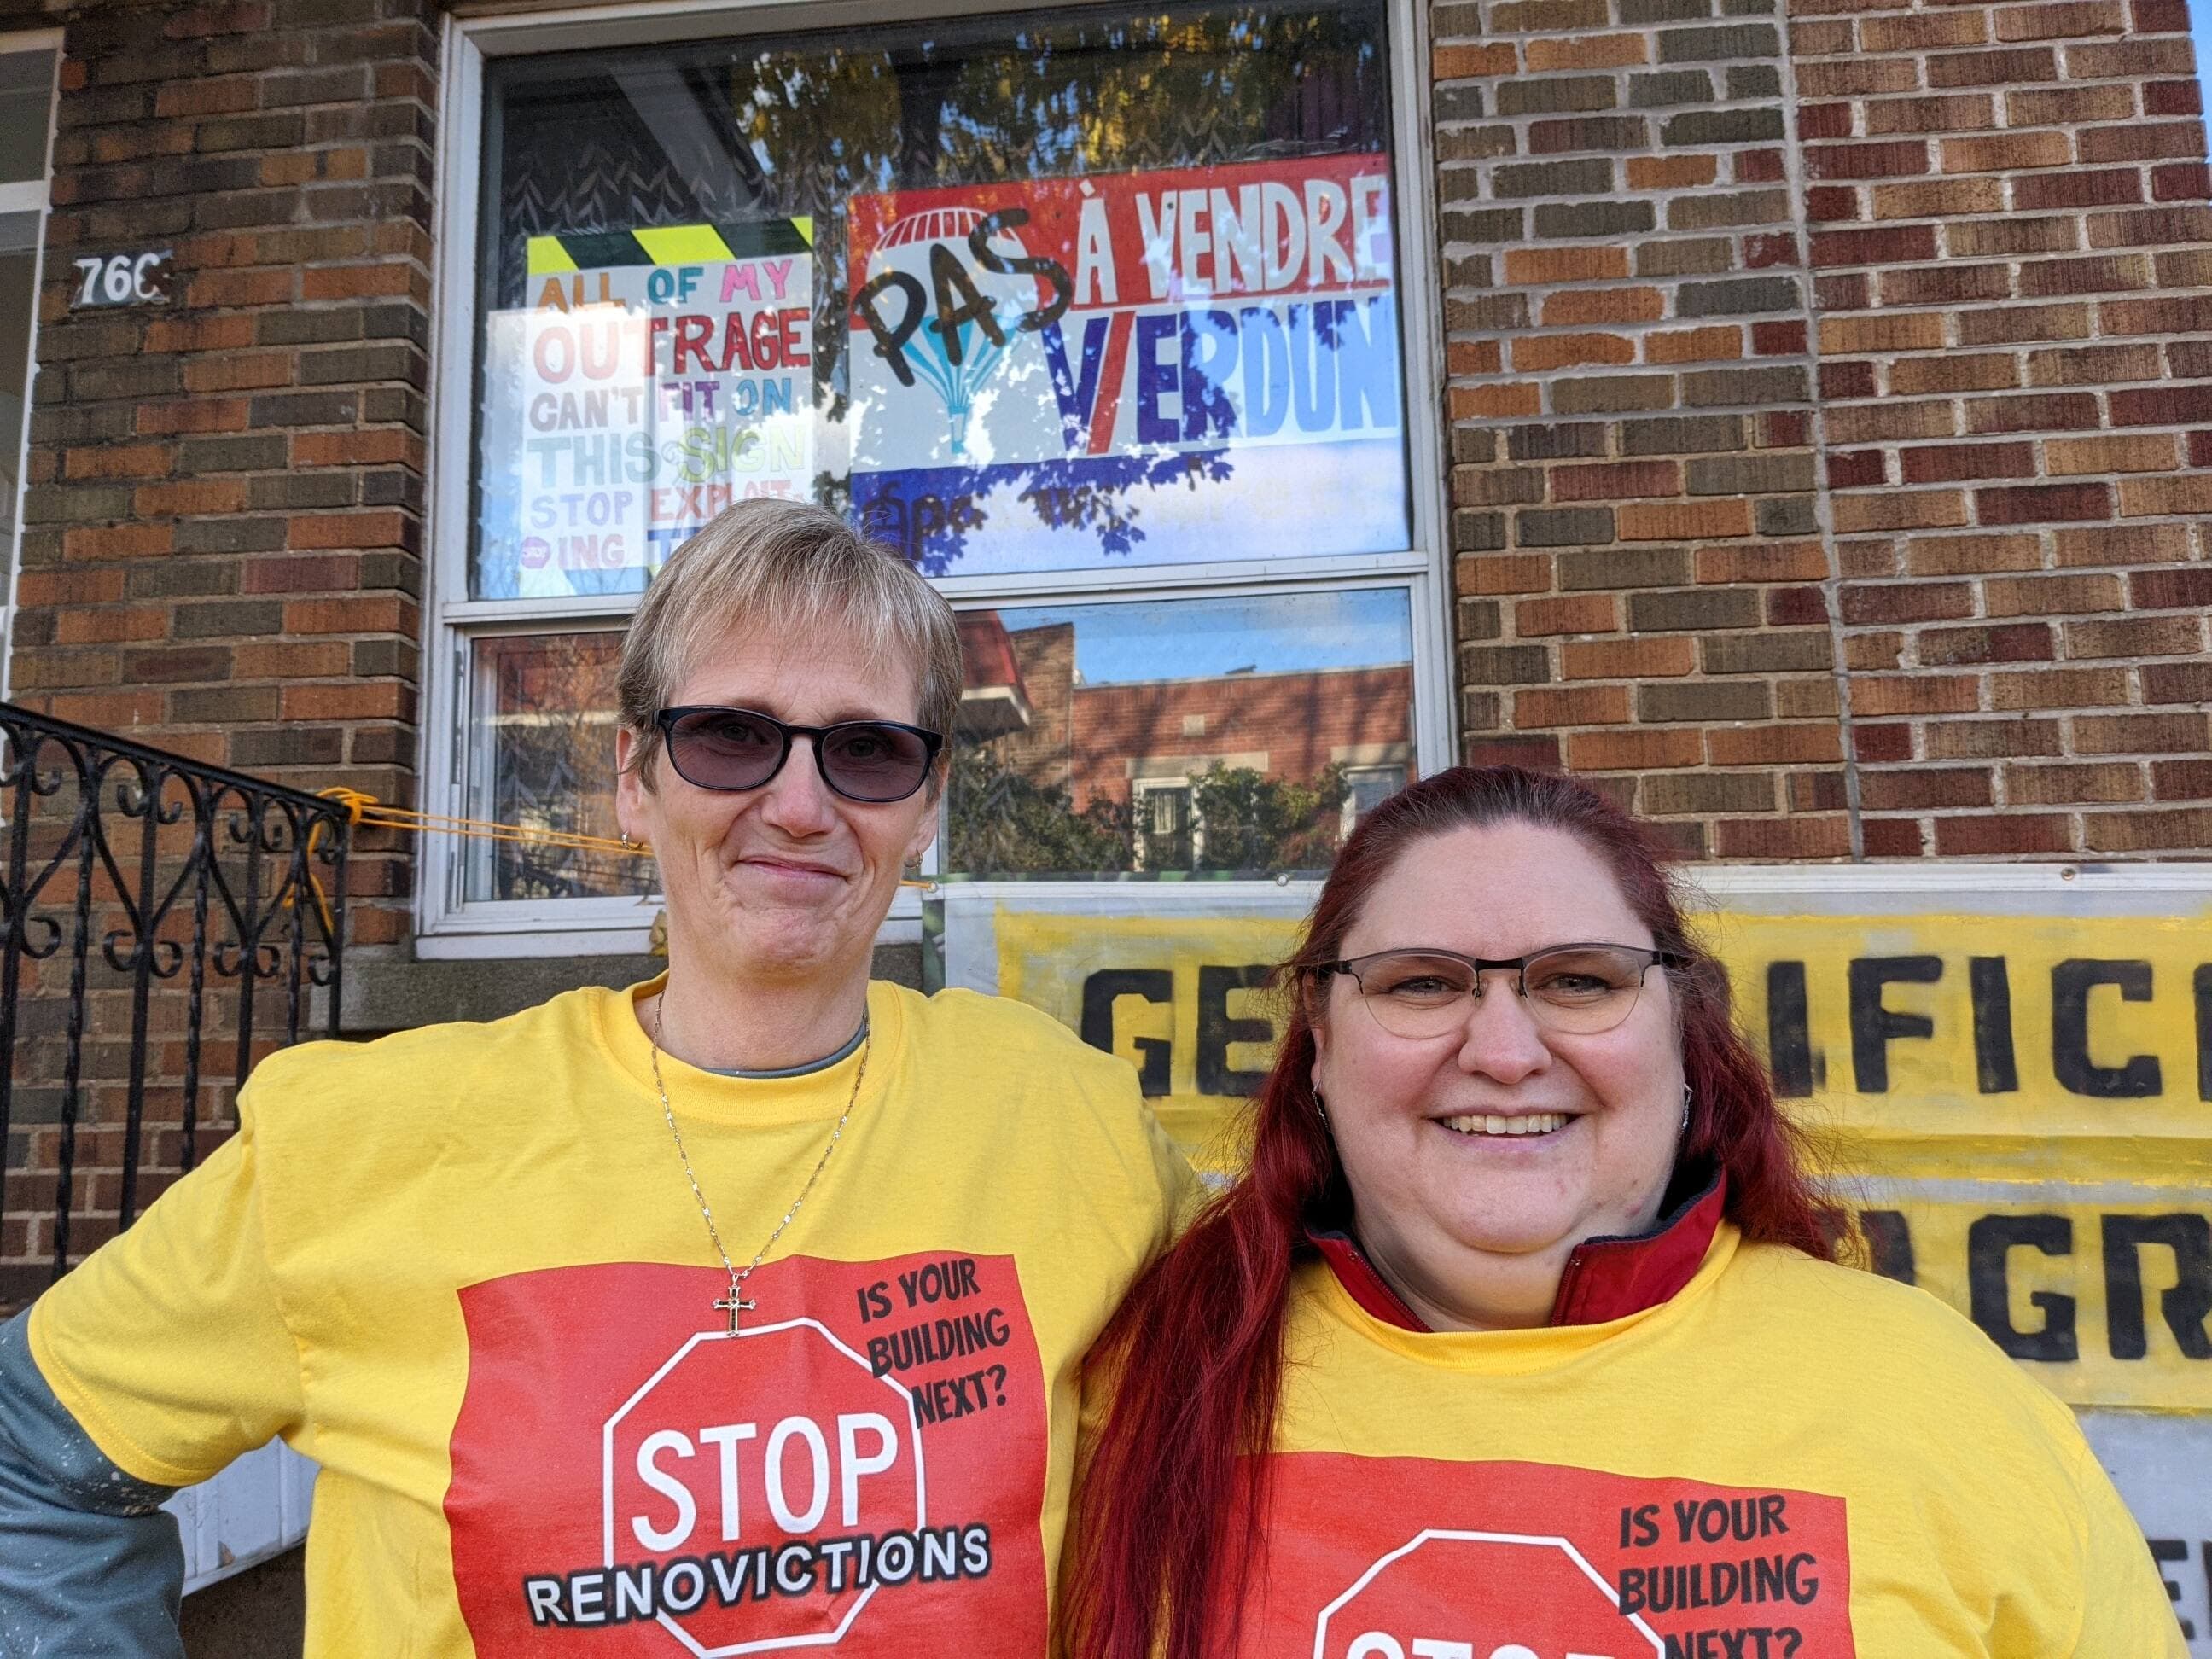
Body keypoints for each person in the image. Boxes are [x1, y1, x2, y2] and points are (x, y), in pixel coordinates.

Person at [0, 501, 1189, 1656]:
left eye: (867, 750)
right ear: (635, 776)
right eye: (732, 735)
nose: (797, 804)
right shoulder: (376, 1134)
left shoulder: (1066, 1119)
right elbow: (30, 1461)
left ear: (925, 803)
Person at [1064, 765, 2185, 1659]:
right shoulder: (1140, 1393)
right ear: (1316, 1043)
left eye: (1580, 981)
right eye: (1421, 983)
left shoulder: (1949, 1409)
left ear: (1681, 1031)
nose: (1503, 1052)